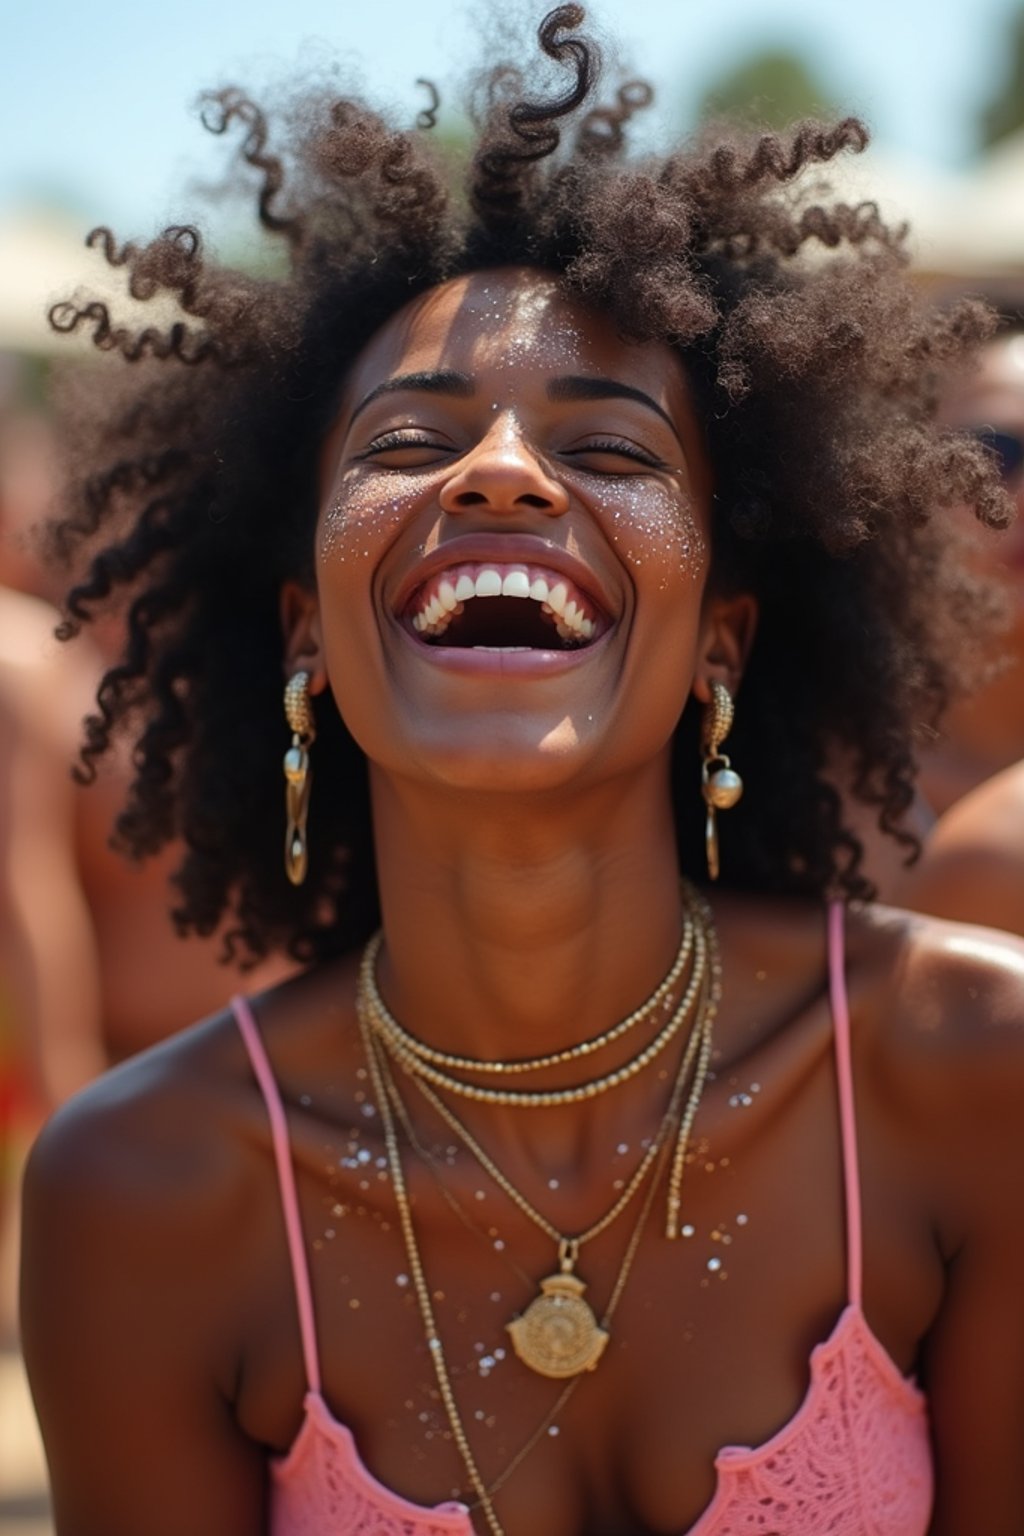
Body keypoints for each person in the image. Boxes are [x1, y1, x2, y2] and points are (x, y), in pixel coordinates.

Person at [18, 9, 1024, 1534]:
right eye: (409, 442)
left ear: (723, 648)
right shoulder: (147, 1189)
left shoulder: (968, 1072)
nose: (499, 470)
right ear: (303, 631)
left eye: (612, 451)